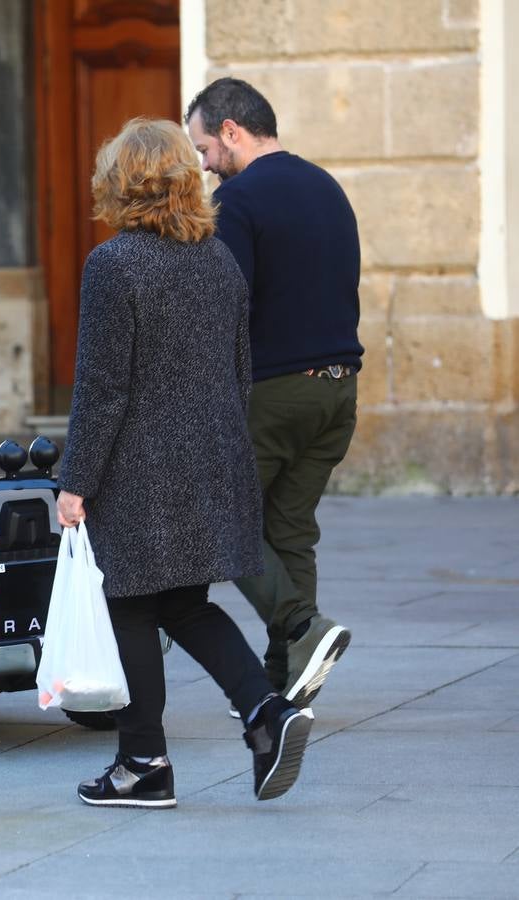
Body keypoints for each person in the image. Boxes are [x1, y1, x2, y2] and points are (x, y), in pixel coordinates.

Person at [56, 118, 313, 809]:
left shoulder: (114, 264)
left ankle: (142, 763)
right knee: (185, 604)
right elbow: (240, 369)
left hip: (140, 469)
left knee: (129, 606)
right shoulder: (217, 258)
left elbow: (103, 388)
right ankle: (266, 714)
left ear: (124, 181)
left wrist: (75, 482)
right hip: (211, 457)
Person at [186, 77, 358, 710]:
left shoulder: (238, 202)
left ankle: (300, 628)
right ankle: (289, 675)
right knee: (288, 530)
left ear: (232, 131)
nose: (204, 164)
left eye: (205, 148)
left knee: (222, 520)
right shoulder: (327, 187)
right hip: (339, 393)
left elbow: (228, 309)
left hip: (277, 391)